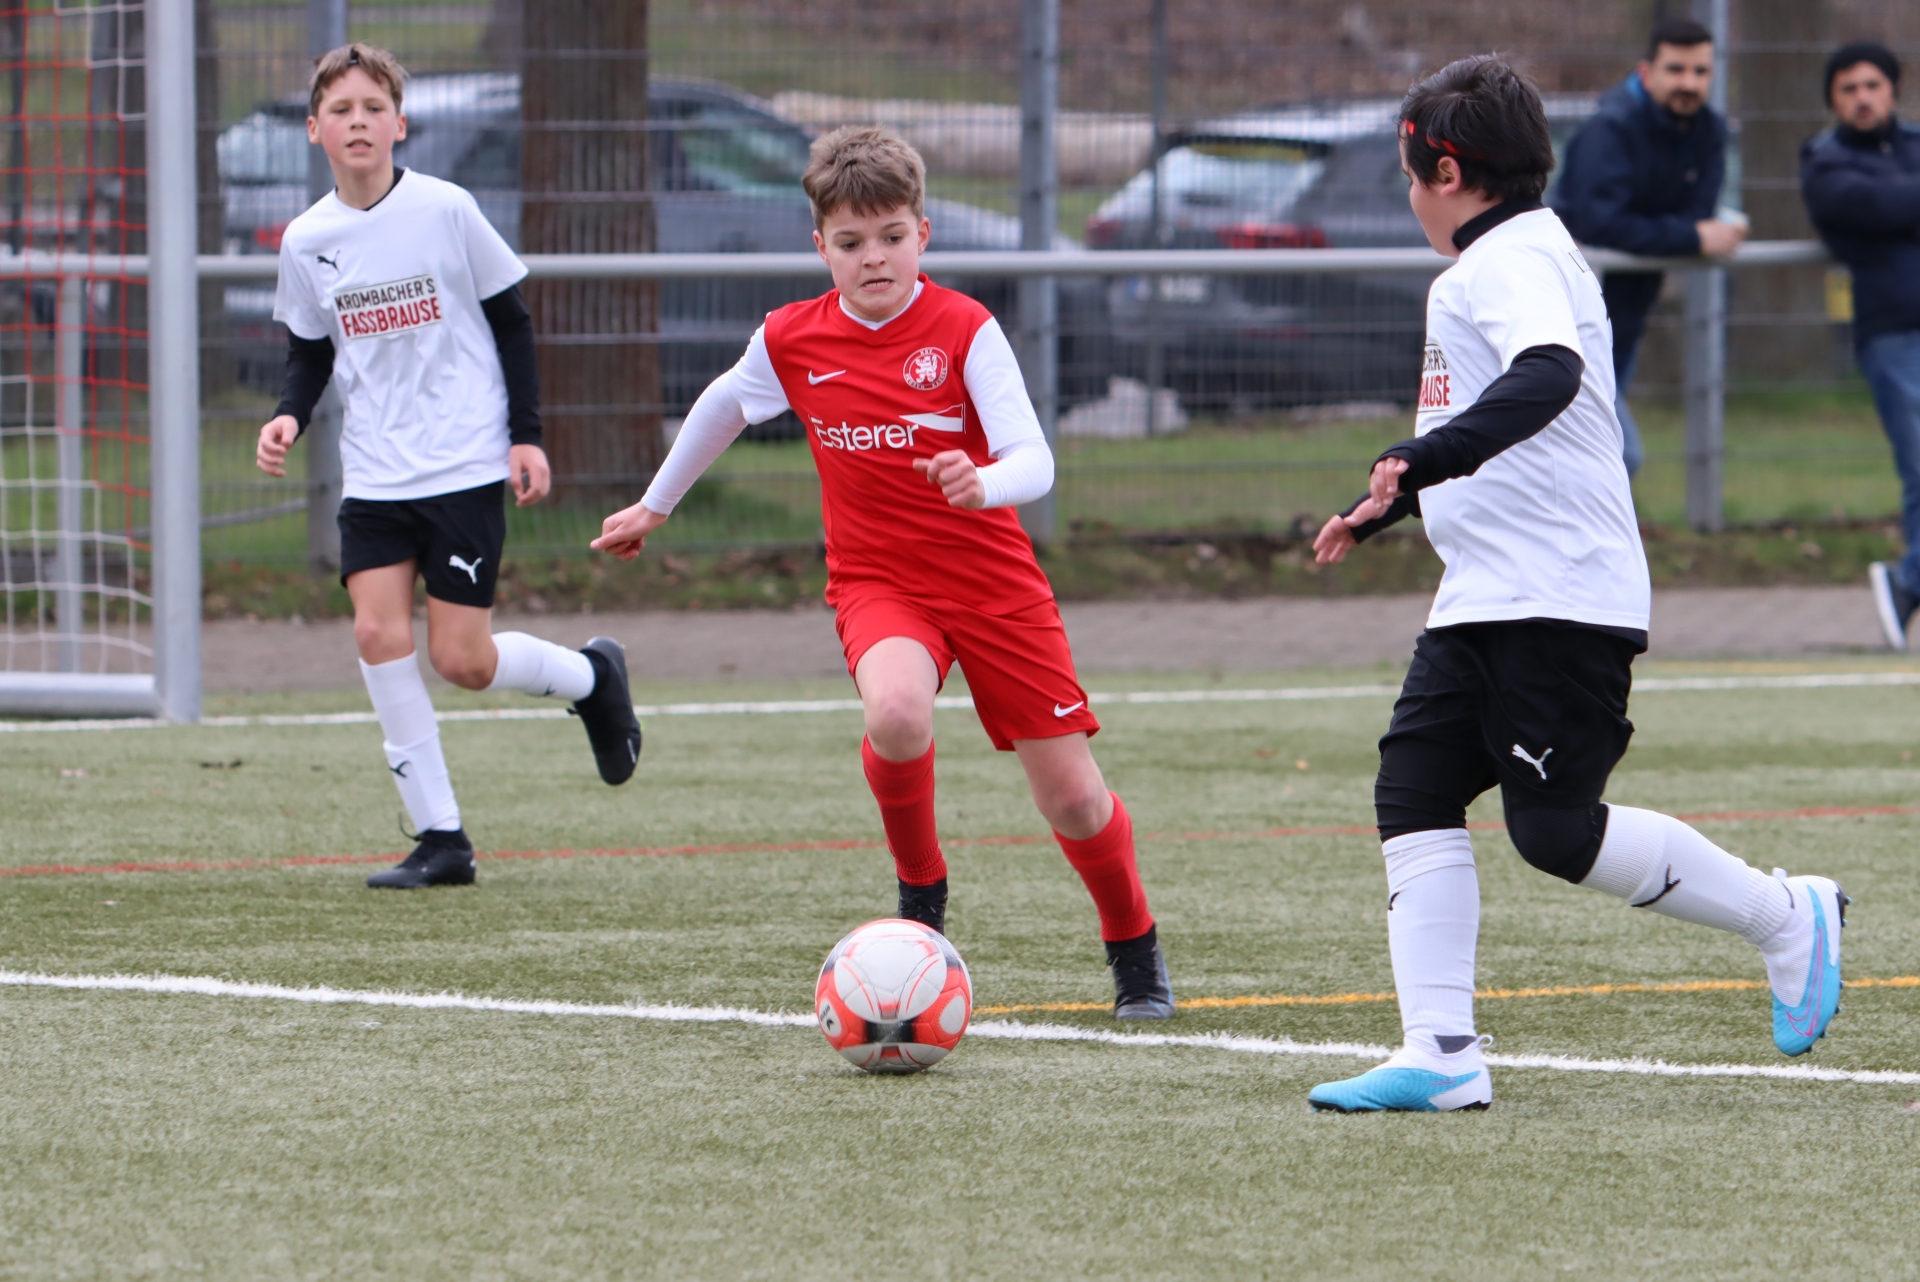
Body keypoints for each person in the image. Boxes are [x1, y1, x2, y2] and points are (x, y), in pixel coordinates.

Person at [1306, 55, 1846, 1113]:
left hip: (1556, 595)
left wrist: (1423, 456)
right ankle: (1442, 1051)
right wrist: (1399, 497)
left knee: (1554, 831)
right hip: (1487, 591)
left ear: (1448, 172)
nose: (1410, 197)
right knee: (1414, 790)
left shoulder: (1504, 261)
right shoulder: (1514, 255)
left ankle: (1787, 915)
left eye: (1409, 177)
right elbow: (1506, 422)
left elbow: (1547, 376)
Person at [591, 126, 1174, 1019]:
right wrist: (655, 505)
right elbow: (726, 404)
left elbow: (1035, 459)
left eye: (892, 236)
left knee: (1073, 798)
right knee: (896, 714)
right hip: (880, 584)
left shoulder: (965, 328)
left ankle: (1133, 946)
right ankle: (920, 898)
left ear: (922, 235)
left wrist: (983, 483)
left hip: (994, 586)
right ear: (820, 247)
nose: (874, 258)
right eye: (852, 241)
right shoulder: (791, 338)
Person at [256, 44, 643, 890]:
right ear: (315, 130)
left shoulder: (446, 209)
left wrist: (525, 436)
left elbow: (512, 322)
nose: (358, 122)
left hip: (463, 461)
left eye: (373, 107)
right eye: (340, 109)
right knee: (376, 633)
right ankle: (442, 840)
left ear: (400, 124)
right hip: (374, 474)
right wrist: (288, 414)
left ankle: (591, 677)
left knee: (463, 661)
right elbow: (310, 352)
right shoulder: (307, 239)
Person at [1552, 17, 1746, 477]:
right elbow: (1599, 223)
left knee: (1596, 460)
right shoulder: (1610, 129)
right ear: (1646, 72)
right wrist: (1692, 237)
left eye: (1700, 71)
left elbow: (1697, 212)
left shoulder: (1708, 131)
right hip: (1571, 312)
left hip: (1627, 313)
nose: (1689, 83)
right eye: (1676, 69)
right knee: (1618, 456)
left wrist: (1680, 231)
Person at [1800, 44, 1920, 651]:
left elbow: (1891, 205)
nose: (1863, 97)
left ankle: (1908, 584)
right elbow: (1864, 206)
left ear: (1893, 89)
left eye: (1873, 85)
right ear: (1833, 100)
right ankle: (1907, 584)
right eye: (1849, 89)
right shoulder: (1824, 159)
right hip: (1893, 332)